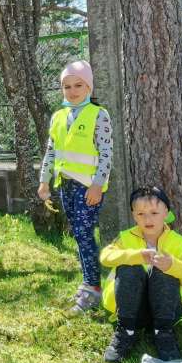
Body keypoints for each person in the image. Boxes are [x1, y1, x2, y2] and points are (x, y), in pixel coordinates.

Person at [37, 61, 113, 313]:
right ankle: (88, 284)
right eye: (66, 86)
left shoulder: (98, 114)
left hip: (88, 188)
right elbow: (51, 151)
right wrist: (43, 180)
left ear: (89, 86)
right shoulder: (59, 116)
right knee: (79, 236)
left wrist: (97, 186)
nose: (72, 90)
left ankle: (93, 288)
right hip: (65, 185)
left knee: (84, 235)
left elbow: (106, 155)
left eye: (78, 85)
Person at [99, 187, 182, 363]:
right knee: (130, 267)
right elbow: (105, 257)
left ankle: (163, 334)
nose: (148, 219)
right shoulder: (126, 237)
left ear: (165, 212)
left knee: (164, 269)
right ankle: (126, 331)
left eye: (154, 212)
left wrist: (174, 266)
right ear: (133, 215)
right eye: (141, 214)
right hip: (133, 309)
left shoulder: (181, 244)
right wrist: (135, 256)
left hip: (167, 310)